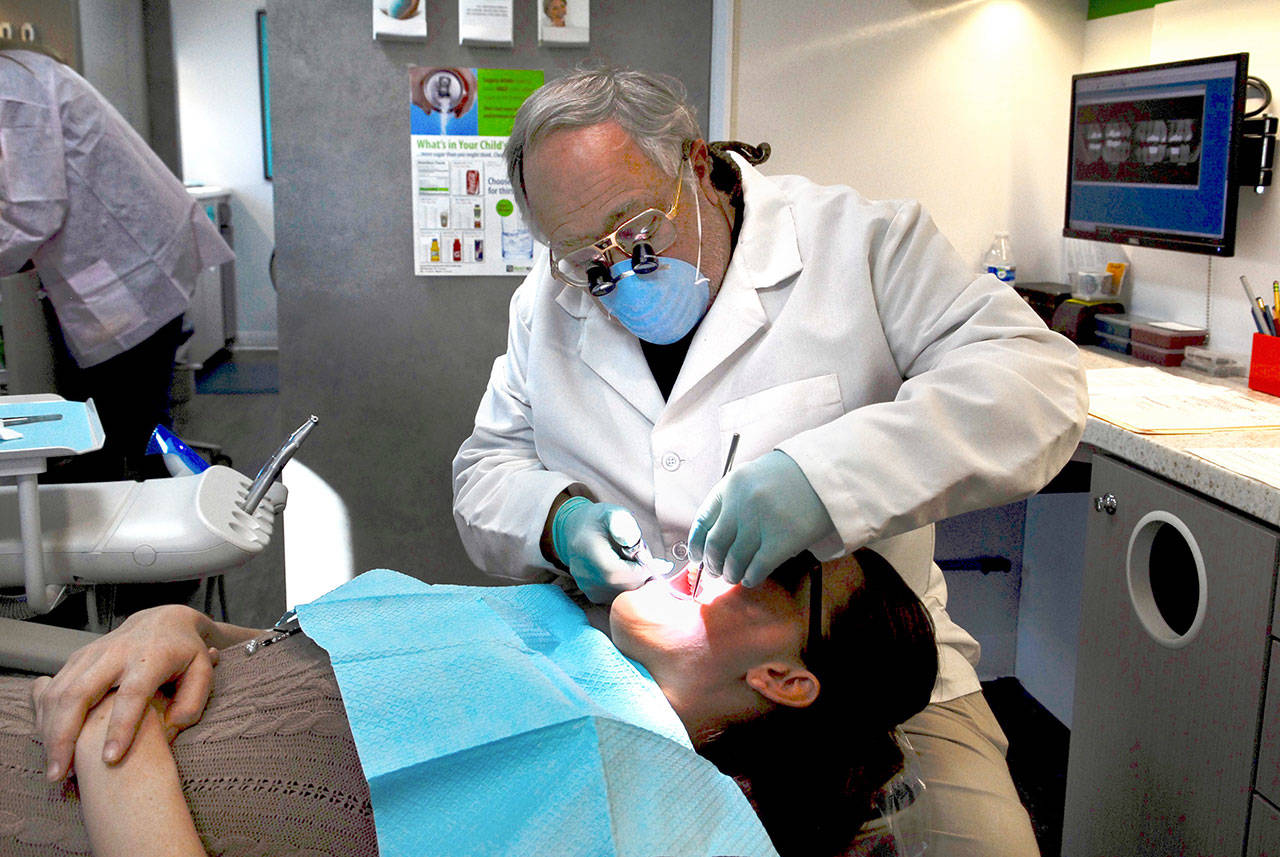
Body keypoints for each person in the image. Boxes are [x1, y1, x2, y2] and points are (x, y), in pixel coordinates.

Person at [450, 66, 1089, 855]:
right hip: (619, 666)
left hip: (858, 691)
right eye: (585, 254)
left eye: (636, 227)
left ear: (693, 164)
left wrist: (827, 480)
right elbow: (487, 468)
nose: (615, 269)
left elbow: (1037, 385)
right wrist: (557, 520)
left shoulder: (860, 245)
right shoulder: (545, 303)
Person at [4, 548, 937, 857]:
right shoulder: (546, 630)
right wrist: (173, 625)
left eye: (775, 565)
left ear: (785, 679)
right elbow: (299, 663)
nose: (720, 548)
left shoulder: (640, 816)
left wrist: (113, 752)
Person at [0, 42, 233, 482]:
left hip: (133, 271)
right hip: (132, 265)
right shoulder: (21, 75)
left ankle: (181, 521)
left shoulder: (10, 85)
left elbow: (34, 210)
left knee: (135, 428)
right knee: (129, 424)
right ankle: (167, 512)